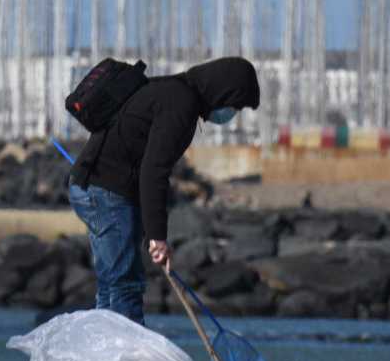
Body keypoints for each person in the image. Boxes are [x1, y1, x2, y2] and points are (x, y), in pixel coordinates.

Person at [67, 56, 260, 322]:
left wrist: (150, 233)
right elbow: (153, 171)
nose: (232, 115)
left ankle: (104, 353)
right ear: (223, 92)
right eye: (235, 106)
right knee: (124, 284)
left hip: (94, 185)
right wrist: (158, 236)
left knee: (113, 283)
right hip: (104, 191)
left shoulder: (170, 90)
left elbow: (139, 159)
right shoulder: (180, 103)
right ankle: (124, 359)